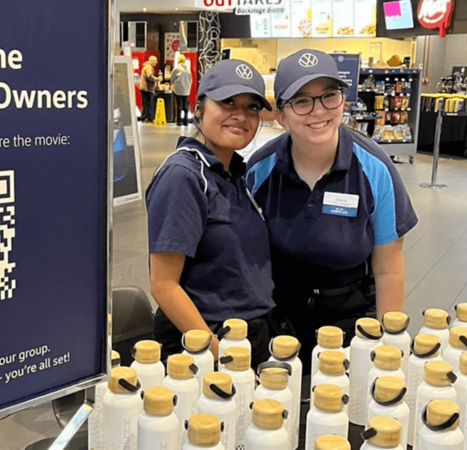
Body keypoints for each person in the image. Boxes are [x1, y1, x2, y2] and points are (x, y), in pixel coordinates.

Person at [246, 49, 418, 366]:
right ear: (281, 115)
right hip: (279, 320)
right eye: (301, 101)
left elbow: (388, 269)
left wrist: (384, 341)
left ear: (343, 101)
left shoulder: (375, 168)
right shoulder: (259, 171)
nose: (318, 111)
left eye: (329, 96)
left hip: (350, 320)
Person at [146, 59, 276, 365]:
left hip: (246, 338)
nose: (241, 116)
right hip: (204, 347)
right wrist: (223, 358)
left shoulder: (233, 174)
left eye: (252, 108)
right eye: (228, 102)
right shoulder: (183, 175)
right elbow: (163, 285)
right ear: (199, 108)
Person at [170, 55, 193, 126]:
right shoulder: (187, 69)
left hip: (178, 88)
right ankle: (185, 121)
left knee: (179, 104)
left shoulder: (177, 68)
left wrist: (172, 84)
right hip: (186, 89)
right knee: (185, 104)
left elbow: (172, 77)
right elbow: (190, 79)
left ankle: (179, 121)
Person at [139, 56, 160, 123]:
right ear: (151, 61)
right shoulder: (148, 67)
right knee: (148, 103)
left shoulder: (146, 66)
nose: (156, 62)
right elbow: (149, 76)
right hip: (147, 88)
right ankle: (148, 118)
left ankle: (145, 117)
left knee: (145, 103)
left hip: (145, 88)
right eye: (155, 61)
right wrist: (157, 79)